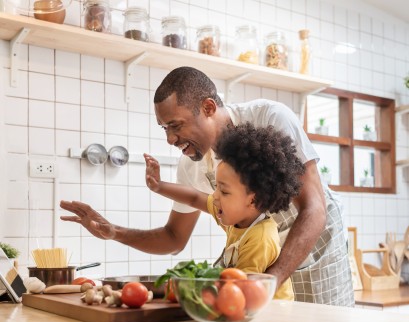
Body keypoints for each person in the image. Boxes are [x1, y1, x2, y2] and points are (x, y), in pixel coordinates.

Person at [60, 66, 354, 306]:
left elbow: (314, 208)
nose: (170, 140)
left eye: (176, 125)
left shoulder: (270, 118)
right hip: (259, 264)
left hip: (315, 249)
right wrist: (114, 232)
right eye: (164, 129)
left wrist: (273, 279)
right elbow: (174, 237)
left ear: (209, 107)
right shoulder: (191, 164)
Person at [144, 123, 306, 301]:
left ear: (253, 200)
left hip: (273, 315)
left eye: (224, 191)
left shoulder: (260, 238)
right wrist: (159, 186)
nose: (215, 196)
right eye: (217, 188)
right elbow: (194, 198)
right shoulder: (236, 215)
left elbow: (240, 290)